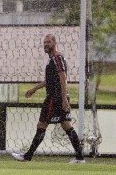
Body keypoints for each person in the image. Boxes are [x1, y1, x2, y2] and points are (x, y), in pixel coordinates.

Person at [11, 34, 85, 163]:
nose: (46, 44)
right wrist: (35, 89)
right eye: (44, 42)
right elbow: (50, 80)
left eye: (48, 42)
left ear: (54, 43)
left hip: (54, 98)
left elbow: (63, 78)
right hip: (57, 97)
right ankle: (80, 157)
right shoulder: (51, 59)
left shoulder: (57, 57)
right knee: (66, 125)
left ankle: (27, 156)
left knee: (42, 125)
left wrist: (63, 99)